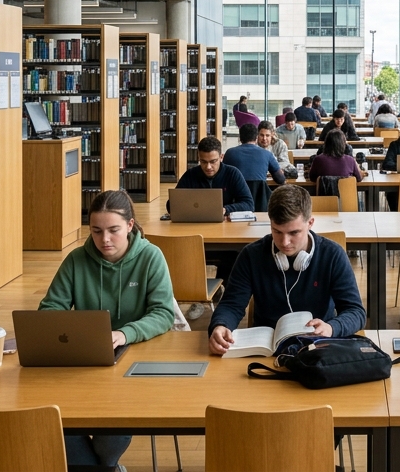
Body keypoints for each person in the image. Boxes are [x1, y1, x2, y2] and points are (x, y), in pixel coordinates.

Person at [40, 190, 176, 468]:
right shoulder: (76, 260)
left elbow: (163, 313)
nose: (104, 240)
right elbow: (49, 311)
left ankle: (104, 466)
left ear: (129, 225)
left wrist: (125, 333)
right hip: (85, 362)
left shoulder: (151, 257)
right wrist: (78, 336)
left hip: (137, 361)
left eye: (113, 230)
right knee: (52, 417)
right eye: (96, 231)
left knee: (112, 429)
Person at [208, 186, 366, 354]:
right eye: (277, 231)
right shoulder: (251, 255)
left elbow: (355, 311)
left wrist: (331, 327)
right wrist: (220, 325)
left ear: (310, 223)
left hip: (318, 348)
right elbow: (232, 305)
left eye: (294, 233)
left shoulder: (332, 255)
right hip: (265, 351)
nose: (284, 242)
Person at [169, 137, 255, 217]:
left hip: (225, 224)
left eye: (213, 161)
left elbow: (248, 204)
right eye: (203, 162)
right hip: (196, 223)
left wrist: (226, 209)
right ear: (198, 158)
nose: (208, 167)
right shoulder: (190, 175)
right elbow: (171, 205)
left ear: (221, 157)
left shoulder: (232, 173)